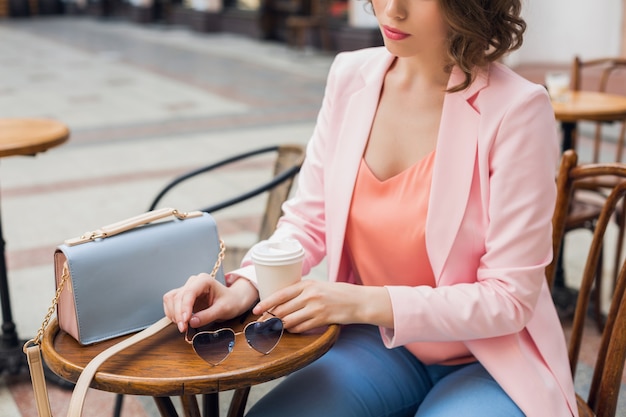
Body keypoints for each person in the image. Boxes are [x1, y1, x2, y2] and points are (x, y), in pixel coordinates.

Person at [163, 0, 579, 415]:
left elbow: (508, 299)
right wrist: (245, 288)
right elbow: (308, 221)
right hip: (378, 343)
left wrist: (358, 301)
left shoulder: (518, 109)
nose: (391, 11)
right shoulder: (350, 76)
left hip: (489, 359)